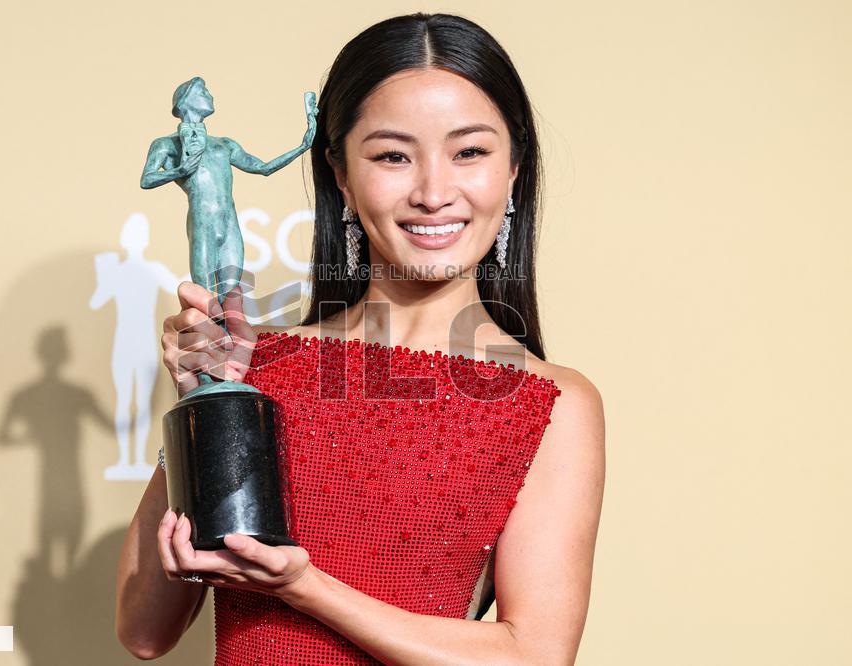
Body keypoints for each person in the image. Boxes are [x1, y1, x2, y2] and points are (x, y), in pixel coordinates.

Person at [116, 12, 605, 665]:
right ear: (341, 175)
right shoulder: (256, 365)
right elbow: (143, 631)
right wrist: (204, 407)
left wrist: (305, 587)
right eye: (393, 155)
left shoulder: (552, 403)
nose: (434, 192)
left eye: (470, 151)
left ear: (514, 168)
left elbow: (534, 655)